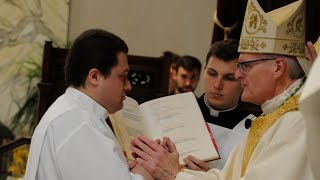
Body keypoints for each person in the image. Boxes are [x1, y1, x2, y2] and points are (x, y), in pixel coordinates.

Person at [130, 0, 315, 179]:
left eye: (245, 66)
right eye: (211, 73)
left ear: (278, 68)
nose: (238, 75)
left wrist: (174, 175)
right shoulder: (273, 115)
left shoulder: (298, 120)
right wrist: (176, 170)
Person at [24, 29, 153, 180]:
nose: (128, 86)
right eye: (122, 77)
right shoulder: (80, 123)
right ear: (94, 77)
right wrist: (148, 170)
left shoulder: (74, 112)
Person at [184, 39, 255, 170]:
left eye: (229, 78)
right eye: (212, 74)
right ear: (204, 71)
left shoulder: (253, 130)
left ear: (243, 80)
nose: (217, 85)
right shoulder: (179, 112)